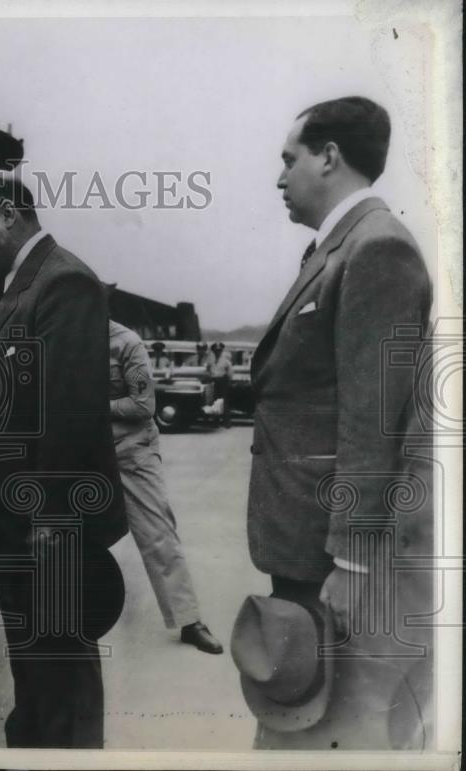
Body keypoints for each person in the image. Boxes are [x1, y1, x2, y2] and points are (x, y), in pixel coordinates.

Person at [242, 96, 433, 749]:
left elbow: (374, 419)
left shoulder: (377, 249)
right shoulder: (335, 249)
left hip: (329, 552)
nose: (279, 177)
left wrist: (352, 561)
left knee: (331, 724)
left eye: (288, 159)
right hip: (305, 541)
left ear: (329, 156)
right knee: (304, 712)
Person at [0, 171, 127, 748]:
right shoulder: (24, 284)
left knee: (61, 675)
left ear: (9, 217)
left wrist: (51, 515)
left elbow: (70, 406)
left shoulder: (63, 282)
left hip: (42, 530)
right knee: (38, 672)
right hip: (15, 526)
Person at [108, 320, 223, 653]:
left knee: (157, 532)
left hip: (131, 449)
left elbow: (144, 405)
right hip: (83, 448)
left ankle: (189, 621)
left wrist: (89, 409)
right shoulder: (65, 335)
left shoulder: (126, 342)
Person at [209, 342, 233, 427]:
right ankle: (216, 421)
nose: (217, 352)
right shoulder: (211, 360)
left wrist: (228, 382)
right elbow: (209, 370)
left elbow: (230, 372)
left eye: (219, 350)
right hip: (214, 381)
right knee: (215, 401)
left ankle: (227, 421)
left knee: (225, 401)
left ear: (222, 350)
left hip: (223, 381)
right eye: (215, 350)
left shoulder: (225, 360)